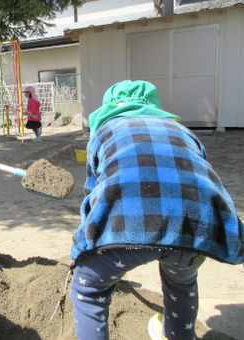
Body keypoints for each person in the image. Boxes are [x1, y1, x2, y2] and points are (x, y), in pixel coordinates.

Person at [69, 80, 244, 340]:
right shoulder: (183, 131)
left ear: (107, 112)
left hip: (127, 228)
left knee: (89, 290)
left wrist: (85, 245)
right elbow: (199, 172)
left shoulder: (104, 132)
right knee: (181, 285)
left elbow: (92, 193)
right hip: (195, 230)